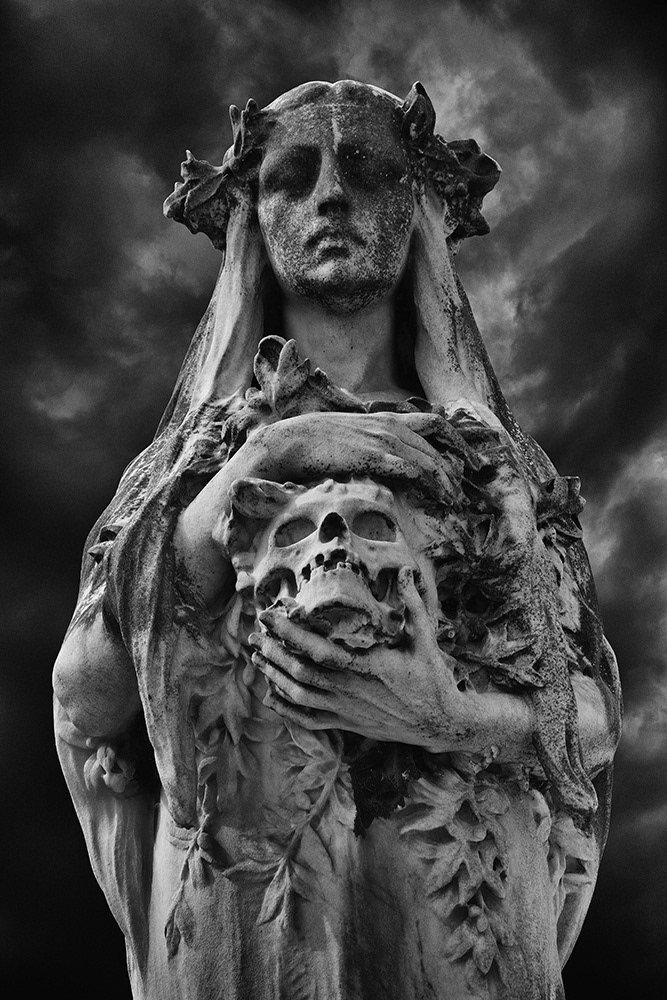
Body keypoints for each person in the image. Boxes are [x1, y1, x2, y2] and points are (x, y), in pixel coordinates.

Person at [53, 80, 621, 1000]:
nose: (330, 198)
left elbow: (585, 720)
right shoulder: (193, 462)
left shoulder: (497, 468)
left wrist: (452, 717)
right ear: (253, 217)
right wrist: (273, 451)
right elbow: (89, 691)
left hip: (459, 922)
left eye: (365, 168)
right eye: (293, 175)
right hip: (249, 929)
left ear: (416, 207)